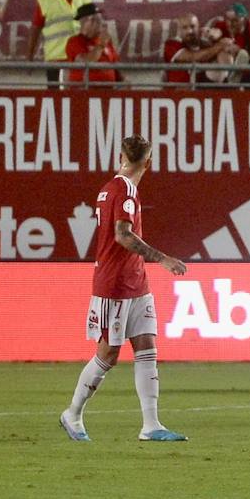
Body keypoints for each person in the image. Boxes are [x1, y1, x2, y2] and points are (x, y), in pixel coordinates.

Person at [59, 135, 189, 443]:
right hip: (114, 285)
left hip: (136, 284)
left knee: (147, 348)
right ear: (148, 162)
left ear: (120, 156)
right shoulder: (126, 189)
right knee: (109, 353)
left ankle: (151, 425)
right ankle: (73, 413)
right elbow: (122, 235)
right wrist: (162, 258)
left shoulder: (109, 189)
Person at [26, 0, 92, 87]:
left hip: (80, 59)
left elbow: (94, 28)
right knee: (57, 101)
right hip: (56, 60)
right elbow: (35, 30)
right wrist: (30, 58)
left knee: (80, 100)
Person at [164, 13, 247, 86]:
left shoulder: (204, 39)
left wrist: (218, 39)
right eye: (184, 28)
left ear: (198, 27)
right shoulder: (171, 44)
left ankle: (231, 73)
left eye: (192, 27)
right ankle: (230, 75)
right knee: (218, 53)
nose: (189, 31)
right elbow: (193, 57)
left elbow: (227, 44)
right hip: (180, 92)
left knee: (223, 53)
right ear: (179, 30)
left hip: (205, 89)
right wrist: (219, 45)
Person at [64, 3, 122, 86]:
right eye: (98, 20)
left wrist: (123, 81)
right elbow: (85, 62)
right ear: (88, 21)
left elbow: (116, 67)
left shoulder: (107, 42)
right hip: (84, 92)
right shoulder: (74, 41)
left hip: (108, 92)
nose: (102, 24)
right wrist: (101, 46)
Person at [210, 2, 250, 66]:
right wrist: (220, 45)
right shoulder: (220, 26)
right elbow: (208, 50)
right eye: (227, 19)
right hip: (225, 67)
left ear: (244, 20)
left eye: (235, 21)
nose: (230, 24)